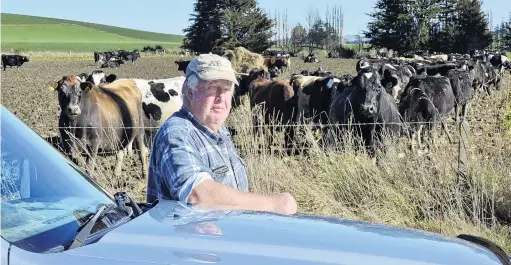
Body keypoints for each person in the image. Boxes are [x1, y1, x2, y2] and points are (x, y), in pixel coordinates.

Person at [146, 53, 297, 215]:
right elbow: (198, 196)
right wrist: (273, 204)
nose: (220, 97)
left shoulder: (219, 129)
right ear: (189, 92)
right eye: (211, 88)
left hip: (222, 235)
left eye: (226, 89)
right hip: (189, 239)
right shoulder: (178, 132)